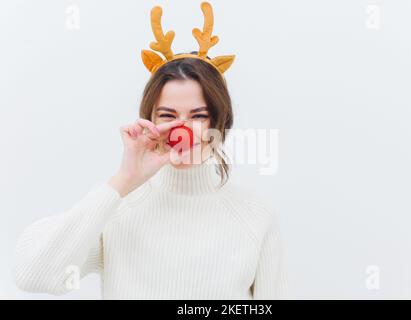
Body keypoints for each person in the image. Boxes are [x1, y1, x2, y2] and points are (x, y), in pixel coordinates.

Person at [12, 2, 290, 299]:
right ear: (149, 120)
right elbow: (34, 275)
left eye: (198, 116)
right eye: (168, 116)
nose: (183, 129)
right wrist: (124, 181)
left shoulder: (257, 218)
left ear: (220, 121)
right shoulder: (115, 211)